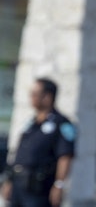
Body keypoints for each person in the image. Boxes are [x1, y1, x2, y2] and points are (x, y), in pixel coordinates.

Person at [2, 78, 75, 207]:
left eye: (35, 94)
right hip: (19, 186)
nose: (31, 98)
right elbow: (19, 154)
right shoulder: (31, 123)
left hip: (39, 189)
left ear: (47, 97)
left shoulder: (61, 123)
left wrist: (59, 185)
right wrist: (9, 180)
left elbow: (65, 156)